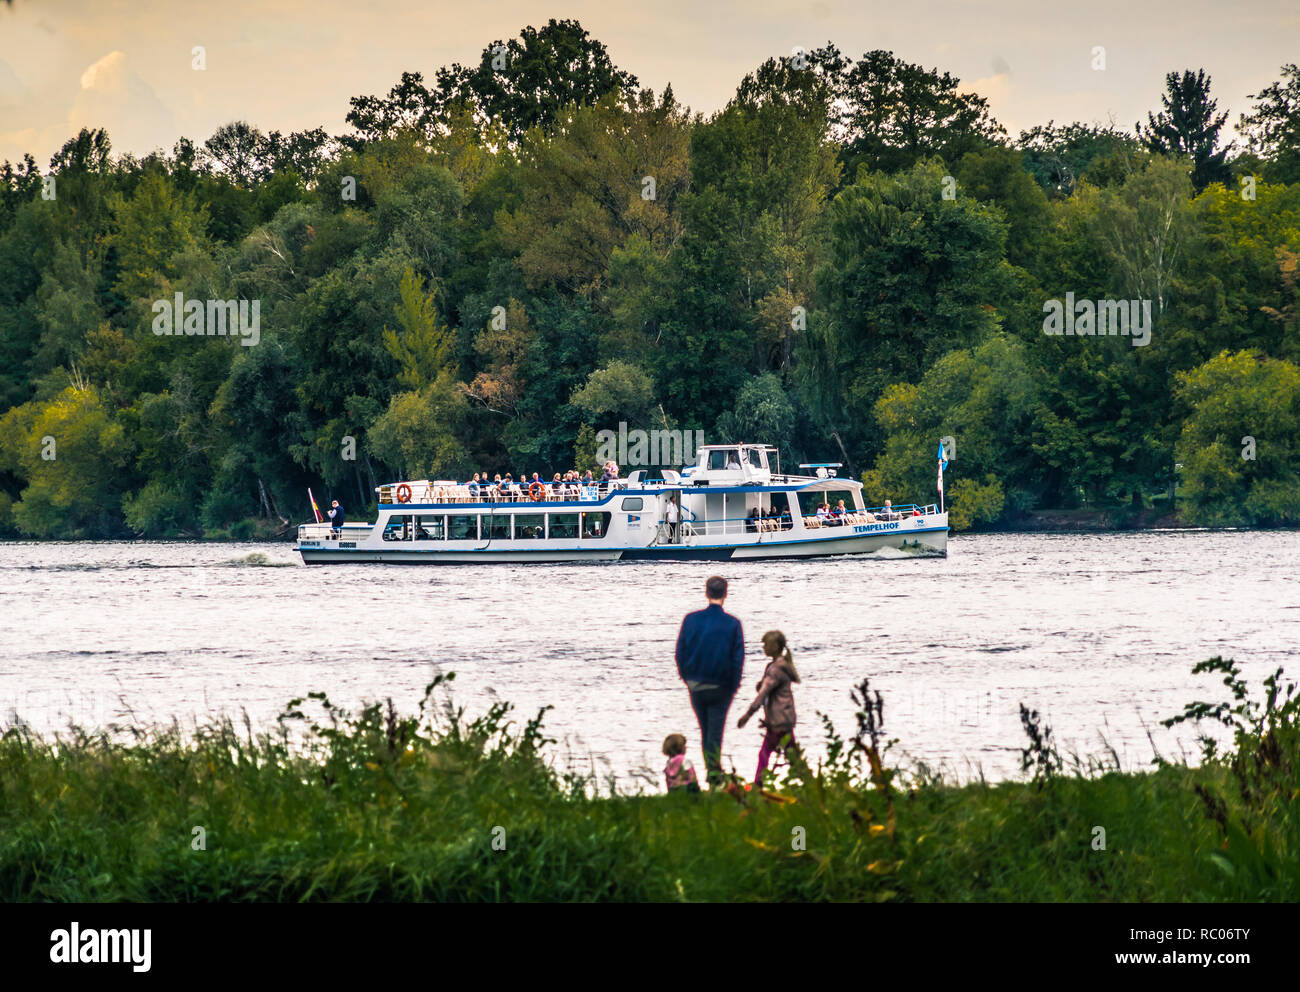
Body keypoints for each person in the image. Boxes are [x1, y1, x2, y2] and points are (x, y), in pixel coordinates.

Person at [675, 575, 745, 788]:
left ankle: (712, 771)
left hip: (696, 684)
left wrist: (686, 677)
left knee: (705, 729)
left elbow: (680, 652)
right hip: (721, 686)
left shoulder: (690, 620)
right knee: (715, 730)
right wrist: (733, 686)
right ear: (725, 593)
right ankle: (714, 773)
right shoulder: (733, 624)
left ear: (707, 593)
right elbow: (737, 659)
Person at [737, 630, 800, 787]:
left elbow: (763, 693)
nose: (764, 647)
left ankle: (759, 785)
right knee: (792, 755)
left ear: (776, 646)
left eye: (766, 644)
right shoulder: (777, 666)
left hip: (778, 720)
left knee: (765, 753)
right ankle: (807, 782)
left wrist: (748, 714)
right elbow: (768, 687)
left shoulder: (775, 669)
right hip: (784, 718)